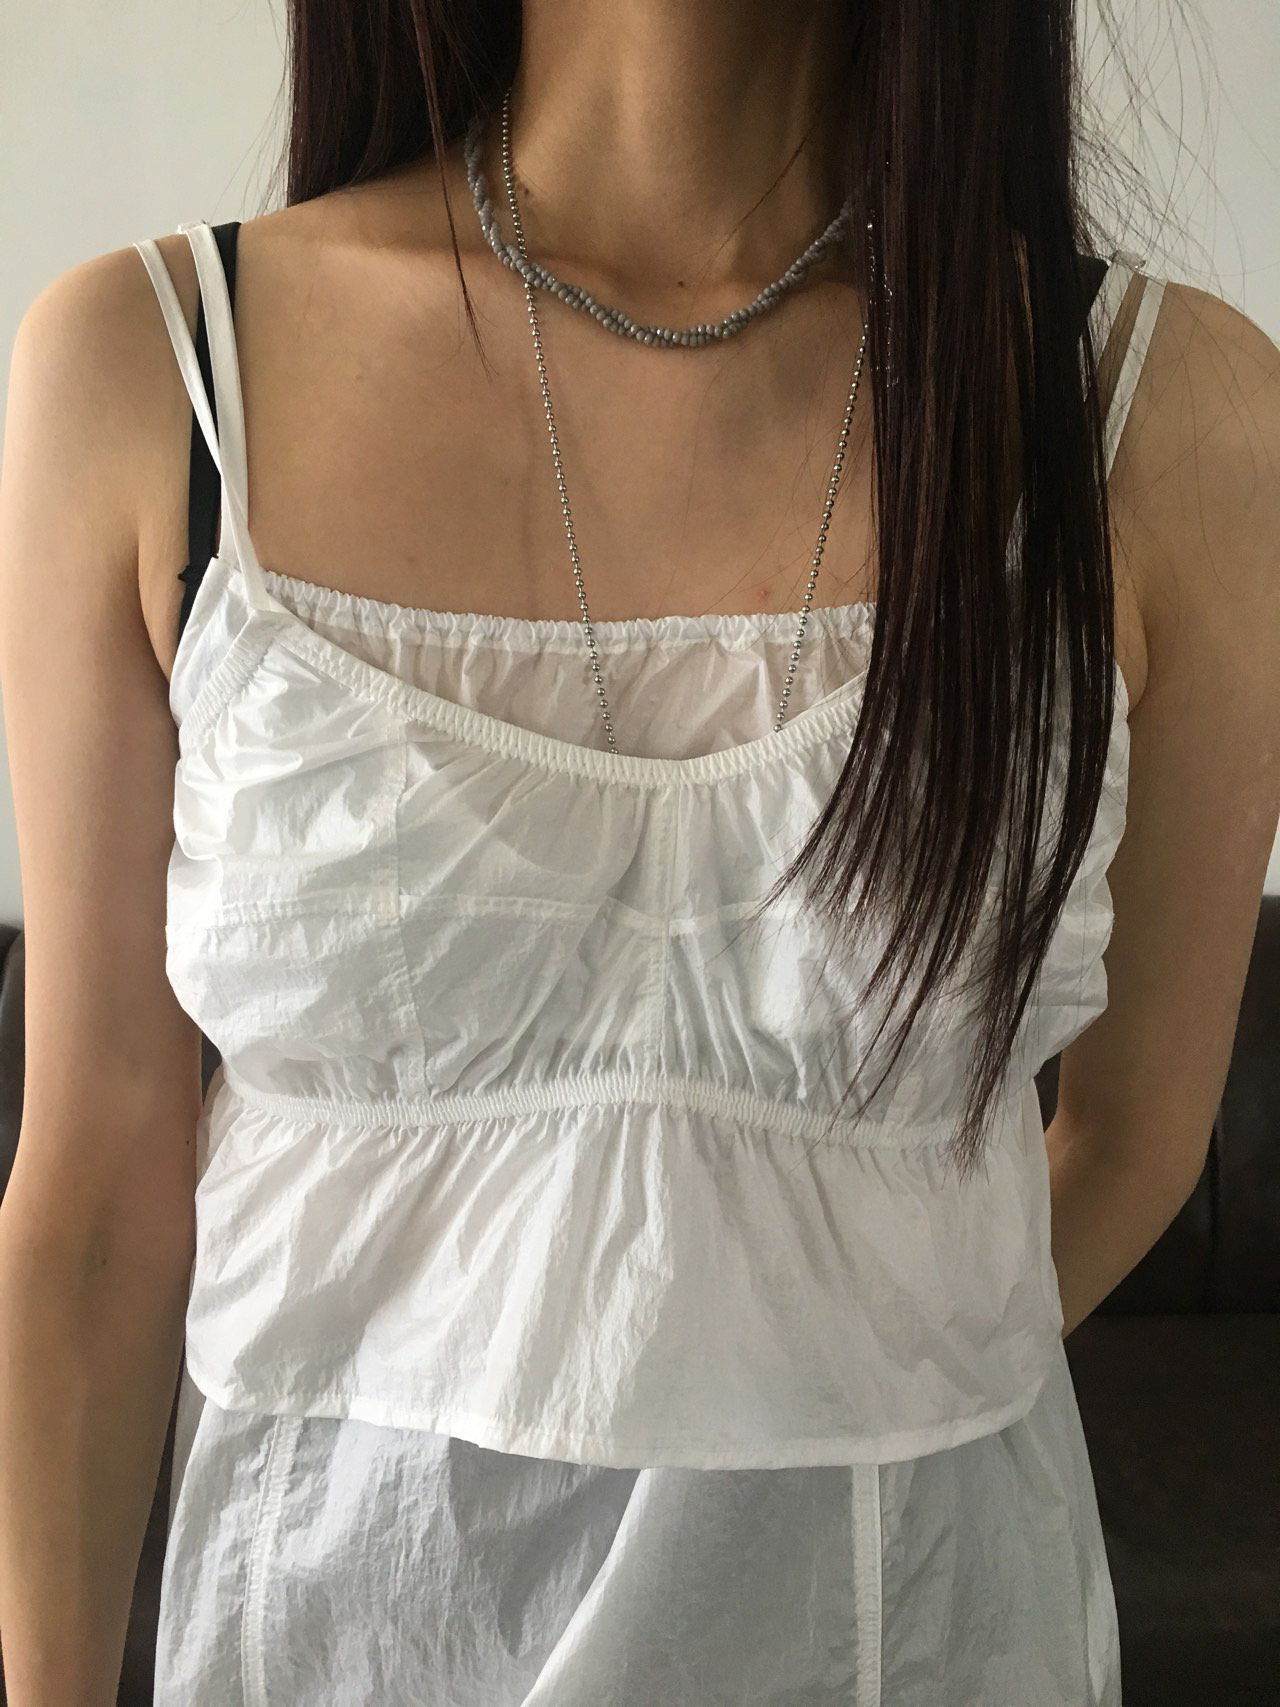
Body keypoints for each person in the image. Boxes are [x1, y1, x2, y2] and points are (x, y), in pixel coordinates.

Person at [1, 5, 1277, 1704]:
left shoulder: (1171, 420)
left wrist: (813, 1369)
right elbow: (94, 1200)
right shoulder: (151, 372)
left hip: (913, 1648)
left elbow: (1136, 1140)